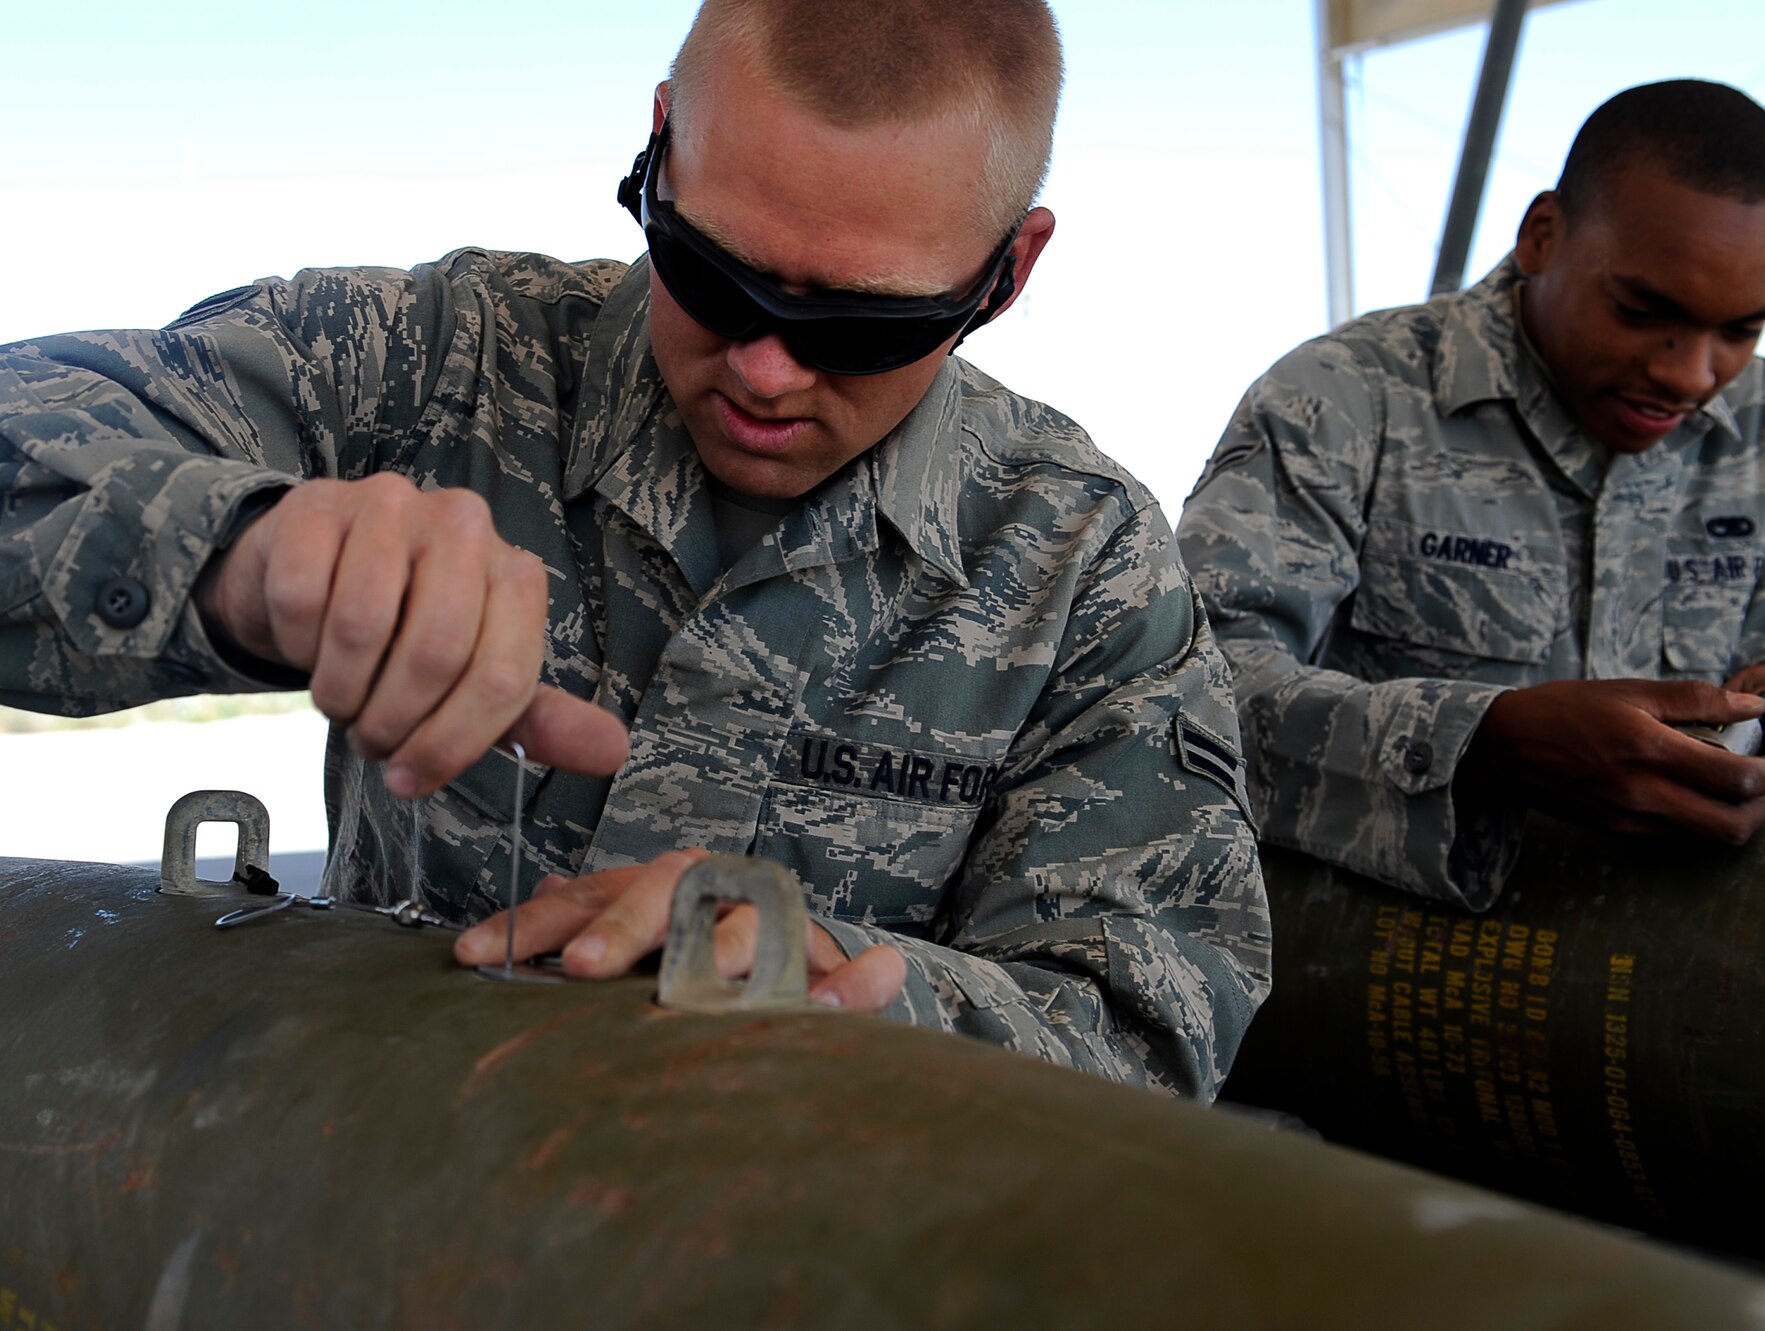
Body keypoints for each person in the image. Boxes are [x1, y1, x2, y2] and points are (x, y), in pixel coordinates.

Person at [0, 0, 1269, 1098]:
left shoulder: (1079, 563)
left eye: (862, 325)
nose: (765, 370)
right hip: (386, 1180)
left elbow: (1151, 1019)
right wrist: (235, 556)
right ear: (659, 146)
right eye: (710, 274)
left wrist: (848, 992)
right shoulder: (436, 364)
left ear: (1006, 271)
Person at [1176, 80, 1765, 912]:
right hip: (1376, 964)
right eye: (1641, 310)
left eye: (1740, 330)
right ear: (1543, 236)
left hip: (1674, 964)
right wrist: (1481, 747)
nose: (1691, 374)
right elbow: (1186, 702)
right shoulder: (1349, 396)